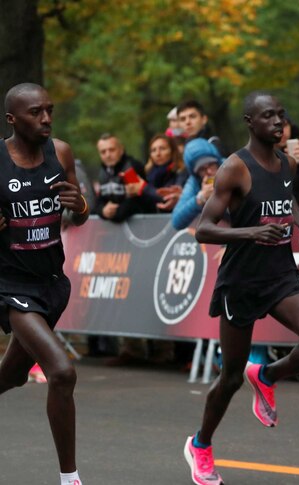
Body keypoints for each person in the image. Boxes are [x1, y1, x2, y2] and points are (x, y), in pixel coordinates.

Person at [183, 91, 299, 485]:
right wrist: (252, 231)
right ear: (250, 122)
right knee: (231, 377)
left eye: (281, 115)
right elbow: (203, 229)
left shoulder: (286, 161)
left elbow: (286, 199)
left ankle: (267, 375)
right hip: (241, 283)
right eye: (268, 115)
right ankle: (201, 444)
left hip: (281, 276)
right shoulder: (235, 168)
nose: (277, 122)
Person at [0, 83, 89, 485]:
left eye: (49, 110)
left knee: (14, 375)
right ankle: (69, 478)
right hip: (11, 284)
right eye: (36, 112)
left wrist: (81, 206)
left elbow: (81, 212)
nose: (47, 119)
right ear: (12, 119)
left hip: (52, 283)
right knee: (61, 371)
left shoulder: (62, 152)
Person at [93, 133, 160, 222]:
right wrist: (103, 211)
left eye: (112, 150)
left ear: (121, 150)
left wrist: (116, 213)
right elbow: (98, 201)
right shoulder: (103, 172)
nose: (108, 155)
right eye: (103, 152)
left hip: (140, 225)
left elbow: (137, 200)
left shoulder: (130, 168)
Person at [171, 138, 222, 230]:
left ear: (217, 161)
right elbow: (176, 222)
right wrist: (200, 198)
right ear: (196, 173)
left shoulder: (232, 167)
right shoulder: (194, 183)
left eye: (211, 164)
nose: (209, 171)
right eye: (202, 169)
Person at [145, 134, 188, 213]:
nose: (158, 154)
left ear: (172, 151)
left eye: (162, 149)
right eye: (153, 150)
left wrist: (143, 189)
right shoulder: (148, 173)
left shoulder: (181, 171)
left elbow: (169, 197)